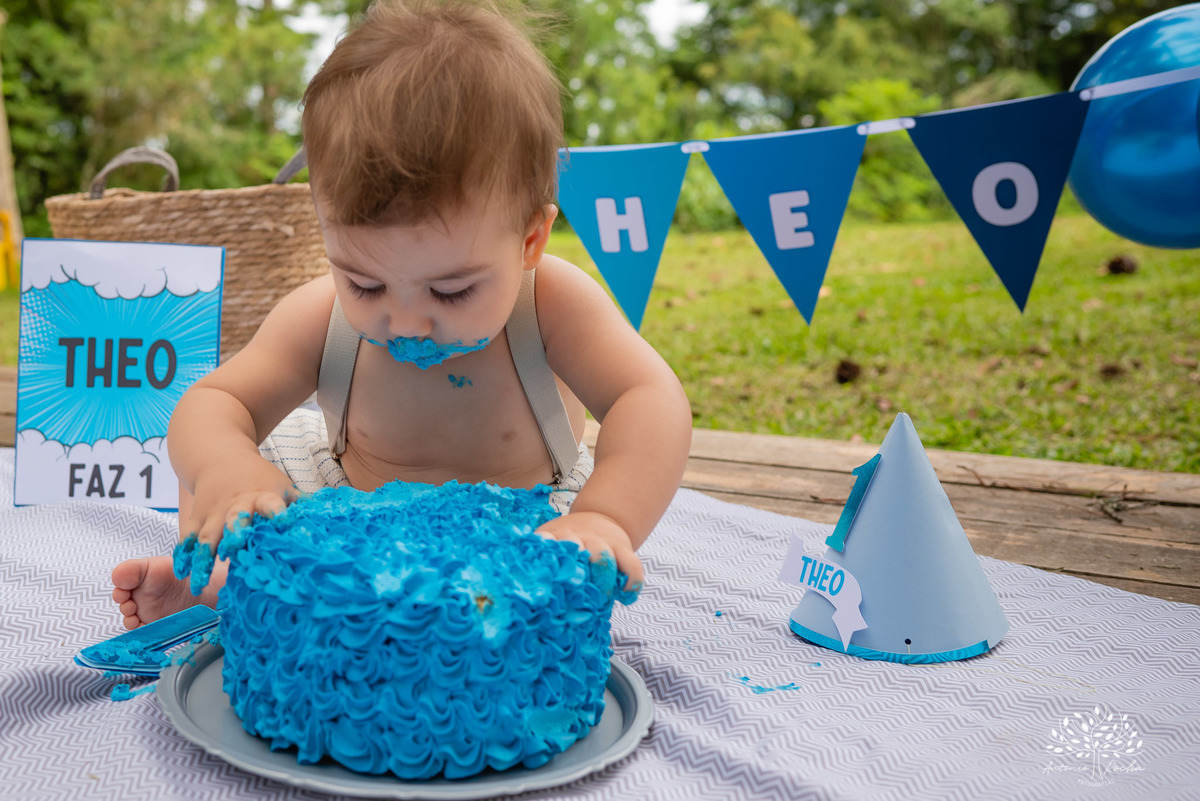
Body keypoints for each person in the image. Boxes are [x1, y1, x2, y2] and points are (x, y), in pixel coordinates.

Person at [111, 0, 691, 630]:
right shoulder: (320, 315)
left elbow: (649, 397)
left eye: (451, 292)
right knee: (235, 461)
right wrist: (226, 467)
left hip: (526, 518)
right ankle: (219, 578)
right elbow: (216, 400)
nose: (406, 322)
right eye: (365, 282)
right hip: (348, 515)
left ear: (529, 241)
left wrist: (605, 516)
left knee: (557, 576)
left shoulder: (551, 304)